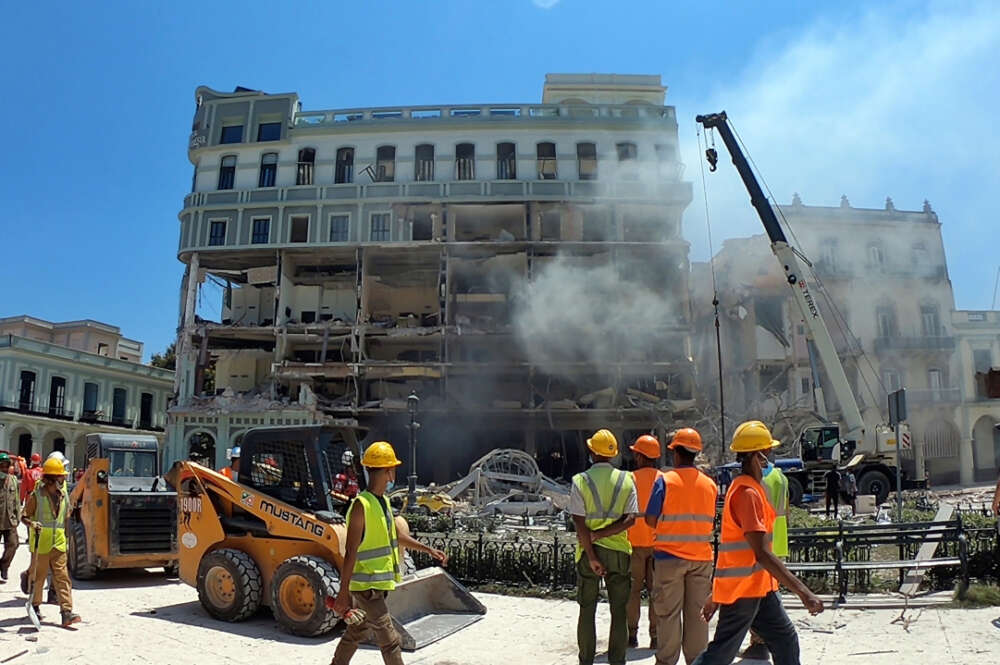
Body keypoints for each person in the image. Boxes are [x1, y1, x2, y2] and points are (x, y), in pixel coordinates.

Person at [691, 421, 823, 665]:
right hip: (745, 589)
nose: (768, 460)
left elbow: (731, 553)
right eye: (766, 454)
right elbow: (760, 553)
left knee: (785, 640)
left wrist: (715, 595)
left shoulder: (751, 488)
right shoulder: (746, 493)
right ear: (755, 456)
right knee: (720, 654)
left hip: (759, 587)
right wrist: (804, 592)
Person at [331, 441, 447, 665]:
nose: (394, 472)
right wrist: (342, 593)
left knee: (356, 633)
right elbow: (351, 551)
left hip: (378, 586)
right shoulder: (360, 505)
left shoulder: (382, 502)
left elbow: (395, 536)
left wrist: (428, 549)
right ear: (388, 472)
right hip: (367, 589)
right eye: (392, 468)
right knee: (390, 640)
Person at [643, 428, 718, 665]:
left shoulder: (665, 481)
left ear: (675, 453)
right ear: (695, 454)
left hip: (669, 558)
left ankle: (666, 661)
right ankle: (697, 661)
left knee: (668, 615)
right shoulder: (710, 485)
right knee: (698, 617)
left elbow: (650, 518)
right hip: (701, 558)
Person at [569, 429, 638, 665]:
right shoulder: (627, 479)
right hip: (619, 552)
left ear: (592, 452)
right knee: (619, 612)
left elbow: (578, 521)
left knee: (587, 609)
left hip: (589, 553)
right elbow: (630, 520)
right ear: (613, 455)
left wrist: (591, 553)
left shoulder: (580, 481)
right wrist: (604, 534)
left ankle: (586, 661)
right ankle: (617, 662)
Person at [740, 450, 790, 662]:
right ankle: (767, 640)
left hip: (763, 539)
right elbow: (786, 509)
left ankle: (758, 642)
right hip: (779, 536)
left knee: (758, 591)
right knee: (771, 590)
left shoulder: (757, 481)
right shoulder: (781, 477)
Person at [21, 457, 81, 627]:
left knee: (63, 578)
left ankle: (66, 613)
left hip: (59, 543)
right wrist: (32, 523)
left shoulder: (63, 495)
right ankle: (35, 607)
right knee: (38, 578)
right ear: (52, 478)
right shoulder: (36, 496)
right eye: (61, 477)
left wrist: (68, 540)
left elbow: (66, 518)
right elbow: (24, 516)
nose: (63, 479)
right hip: (41, 544)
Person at [626, 434, 662, 649]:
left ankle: (631, 635)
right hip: (657, 545)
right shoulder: (663, 479)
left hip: (634, 544)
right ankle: (655, 636)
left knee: (633, 592)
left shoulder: (629, 478)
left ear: (640, 456)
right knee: (656, 593)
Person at [0, 453, 20, 583]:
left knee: (13, 544)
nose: (4, 468)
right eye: (1, 466)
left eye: (6, 466)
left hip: (9, 520)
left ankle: (4, 565)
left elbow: (17, 500)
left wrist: (18, 517)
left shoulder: (13, 480)